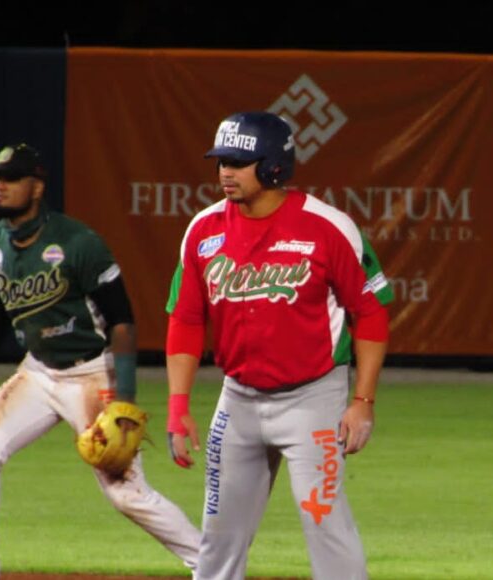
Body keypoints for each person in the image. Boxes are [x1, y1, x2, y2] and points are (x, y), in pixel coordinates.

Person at [0, 143, 201, 580]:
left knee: (126, 493)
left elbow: (123, 322)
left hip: (93, 374)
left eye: (10, 178)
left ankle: (212, 565)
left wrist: (124, 400)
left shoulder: (79, 244)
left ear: (37, 187)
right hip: (38, 373)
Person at [164, 111, 393, 580]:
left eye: (237, 161)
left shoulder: (328, 227)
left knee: (325, 522)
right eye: (221, 161)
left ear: (273, 166)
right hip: (238, 399)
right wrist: (178, 405)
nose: (225, 172)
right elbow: (185, 319)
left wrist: (363, 402)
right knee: (218, 537)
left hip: (314, 399)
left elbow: (370, 313)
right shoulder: (204, 229)